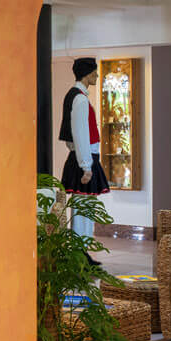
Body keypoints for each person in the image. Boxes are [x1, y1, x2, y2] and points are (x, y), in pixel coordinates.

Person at [59, 56, 107, 237]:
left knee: (86, 208)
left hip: (84, 157)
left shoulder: (77, 96)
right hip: (84, 159)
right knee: (82, 209)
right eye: (94, 72)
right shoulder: (80, 99)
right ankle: (80, 245)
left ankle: (84, 245)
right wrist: (86, 166)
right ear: (87, 74)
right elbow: (80, 135)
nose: (97, 75)